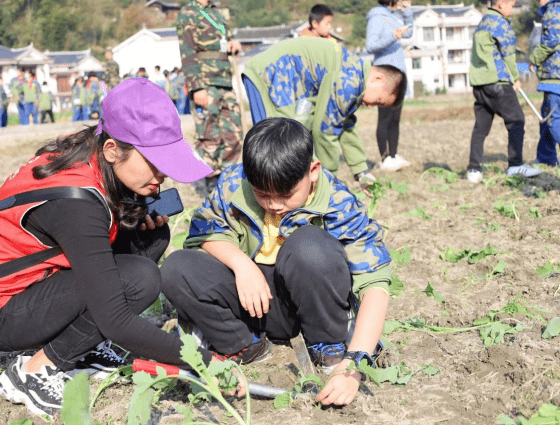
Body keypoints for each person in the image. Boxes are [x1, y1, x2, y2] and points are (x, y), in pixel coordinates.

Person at [0, 79, 221, 418]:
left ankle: (81, 348)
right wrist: (203, 362)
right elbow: (116, 320)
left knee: (151, 239)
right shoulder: (78, 203)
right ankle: (35, 372)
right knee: (139, 279)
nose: (163, 175)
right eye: (155, 161)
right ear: (112, 150)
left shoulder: (89, 154)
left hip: (28, 285)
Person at [161, 117, 391, 407]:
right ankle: (244, 345)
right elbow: (205, 232)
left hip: (309, 306)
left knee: (309, 247)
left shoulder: (338, 202)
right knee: (177, 268)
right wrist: (242, 265)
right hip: (252, 303)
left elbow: (375, 283)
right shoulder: (234, 183)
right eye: (262, 195)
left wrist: (354, 364)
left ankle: (328, 347)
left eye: (285, 195)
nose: (273, 205)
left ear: (313, 171)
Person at [242, 37, 407, 195]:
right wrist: (328, 180)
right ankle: (244, 197)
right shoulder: (350, 82)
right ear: (378, 78)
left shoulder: (354, 75)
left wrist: (361, 171)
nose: (371, 106)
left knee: (283, 149)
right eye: (378, 101)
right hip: (270, 74)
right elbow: (325, 130)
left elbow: (344, 126)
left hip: (286, 80)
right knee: (271, 149)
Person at [467, 0, 542, 183]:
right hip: (498, 81)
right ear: (500, 4)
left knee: (481, 127)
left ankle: (473, 169)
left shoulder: (482, 23)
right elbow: (509, 56)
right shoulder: (501, 24)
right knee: (517, 121)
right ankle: (515, 166)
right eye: (511, 5)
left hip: (479, 84)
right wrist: (515, 78)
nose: (512, 9)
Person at [176, 0, 244, 196]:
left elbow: (227, 37)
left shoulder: (217, 13)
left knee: (233, 134)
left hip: (224, 81)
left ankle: (228, 181)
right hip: (205, 82)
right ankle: (209, 188)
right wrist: (196, 87)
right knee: (210, 136)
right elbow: (187, 53)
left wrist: (233, 42)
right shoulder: (188, 12)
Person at [366, 0, 413, 172]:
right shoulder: (376, 17)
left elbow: (409, 33)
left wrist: (407, 11)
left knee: (395, 119)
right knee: (384, 119)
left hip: (398, 74)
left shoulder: (395, 16)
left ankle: (393, 155)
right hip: (384, 75)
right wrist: (393, 36)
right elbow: (370, 46)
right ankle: (384, 158)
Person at [530, 0, 560, 166]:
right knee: (546, 117)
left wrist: (534, 59)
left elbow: (551, 40)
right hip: (554, 77)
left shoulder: (554, 9)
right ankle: (546, 159)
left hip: (555, 76)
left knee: (553, 119)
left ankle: (546, 159)